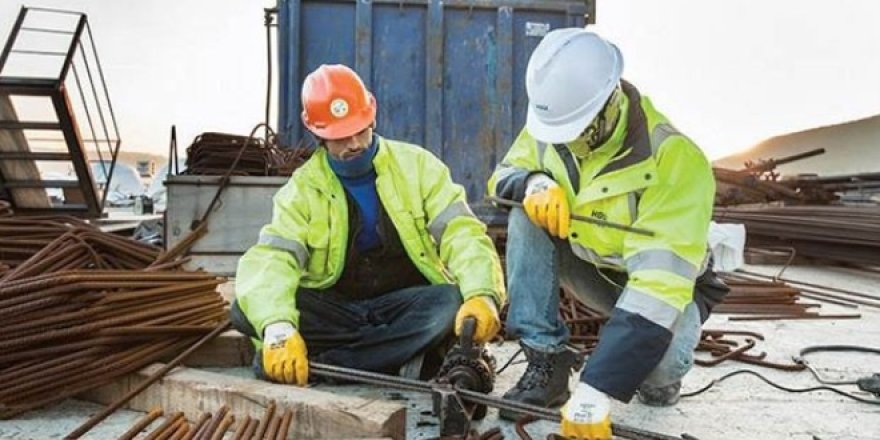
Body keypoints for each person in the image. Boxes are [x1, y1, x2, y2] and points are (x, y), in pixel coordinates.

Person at [488, 29, 728, 438]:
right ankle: (546, 361)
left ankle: (663, 376)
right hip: (590, 264)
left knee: (656, 373)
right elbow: (501, 178)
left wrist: (595, 391)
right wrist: (532, 183)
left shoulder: (675, 160)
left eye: (575, 132)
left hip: (665, 290)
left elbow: (656, 290)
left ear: (609, 101)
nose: (567, 144)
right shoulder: (554, 126)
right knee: (523, 215)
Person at [231, 64, 506, 385]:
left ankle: (329, 366)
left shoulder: (418, 166)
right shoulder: (301, 190)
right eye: (340, 137)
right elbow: (273, 260)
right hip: (338, 310)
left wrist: (481, 293)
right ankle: (397, 360)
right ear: (317, 134)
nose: (354, 144)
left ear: (372, 117)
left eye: (360, 130)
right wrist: (278, 328)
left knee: (449, 302)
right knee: (244, 311)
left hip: (403, 304)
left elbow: (462, 232)